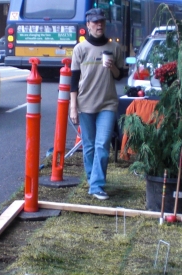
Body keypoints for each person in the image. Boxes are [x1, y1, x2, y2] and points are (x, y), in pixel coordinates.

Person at [70, 8, 124, 200]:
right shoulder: (80, 49)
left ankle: (96, 185)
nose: (99, 25)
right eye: (95, 22)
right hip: (85, 104)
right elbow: (74, 80)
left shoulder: (114, 48)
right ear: (88, 25)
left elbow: (120, 76)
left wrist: (113, 68)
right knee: (90, 145)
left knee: (103, 144)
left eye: (101, 21)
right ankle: (92, 178)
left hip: (108, 104)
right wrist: (73, 106)